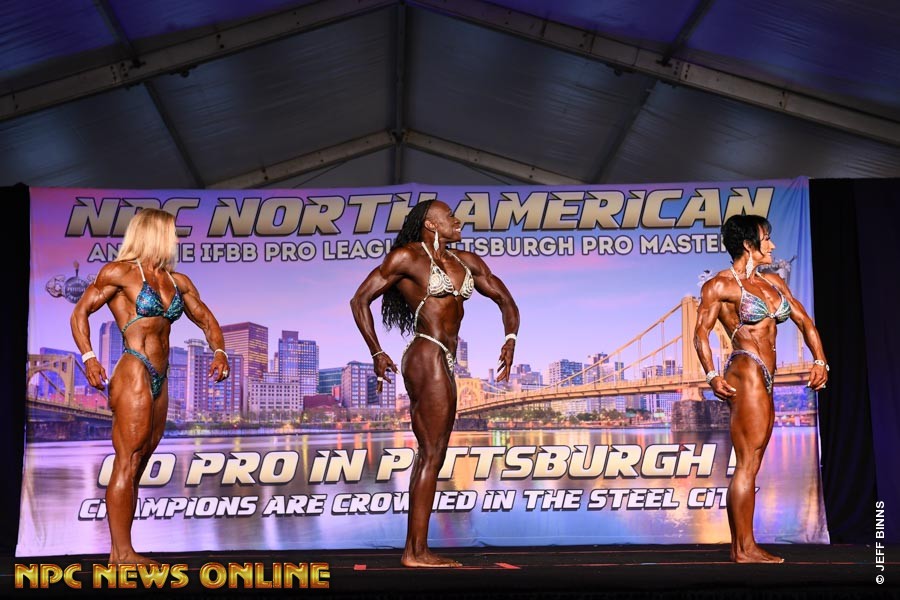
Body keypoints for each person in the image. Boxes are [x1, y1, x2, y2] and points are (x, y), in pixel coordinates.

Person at [350, 199, 520, 567]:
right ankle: (416, 552)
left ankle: (415, 549)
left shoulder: (466, 262)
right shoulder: (407, 258)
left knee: (433, 453)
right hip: (426, 352)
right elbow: (360, 299)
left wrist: (510, 339)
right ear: (430, 224)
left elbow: (505, 300)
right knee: (432, 452)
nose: (458, 221)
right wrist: (377, 351)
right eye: (450, 217)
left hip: (445, 357)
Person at [70, 208, 230, 565]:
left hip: (161, 376)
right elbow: (79, 313)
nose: (175, 239)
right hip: (134, 368)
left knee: (140, 462)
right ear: (153, 233)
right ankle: (121, 554)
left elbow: (206, 319)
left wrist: (219, 351)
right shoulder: (119, 273)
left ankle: (122, 552)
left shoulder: (178, 281)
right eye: (171, 232)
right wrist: (89, 358)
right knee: (127, 459)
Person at [693, 214, 828, 563]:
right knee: (747, 463)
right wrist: (711, 375)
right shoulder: (720, 286)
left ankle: (743, 547)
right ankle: (744, 548)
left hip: (767, 376)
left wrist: (820, 360)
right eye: (766, 239)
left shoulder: (773, 282)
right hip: (746, 370)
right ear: (748, 244)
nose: (772, 245)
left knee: (753, 463)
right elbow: (700, 333)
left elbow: (804, 320)